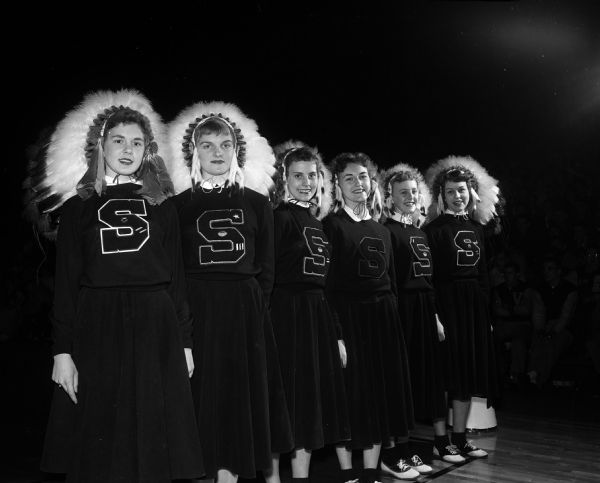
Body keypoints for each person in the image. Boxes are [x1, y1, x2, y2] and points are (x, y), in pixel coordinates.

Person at [27, 89, 203, 482]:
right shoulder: (77, 209)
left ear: (148, 150)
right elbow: (67, 285)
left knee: (154, 440)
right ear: (100, 147)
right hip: (97, 325)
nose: (128, 149)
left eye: (137, 142)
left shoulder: (164, 207)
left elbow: (177, 279)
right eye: (118, 141)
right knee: (100, 442)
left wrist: (186, 342)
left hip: (156, 326)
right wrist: (62, 352)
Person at [165, 101, 292, 483]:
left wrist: (253, 309)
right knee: (201, 406)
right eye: (208, 145)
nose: (217, 154)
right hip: (198, 313)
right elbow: (175, 273)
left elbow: (267, 270)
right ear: (194, 151)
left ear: (236, 151)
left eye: (224, 146)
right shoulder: (176, 207)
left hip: (244, 314)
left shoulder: (257, 203)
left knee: (240, 409)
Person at [322, 152, 418, 483]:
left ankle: (370, 472)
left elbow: (391, 284)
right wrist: (336, 335)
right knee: (352, 397)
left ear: (372, 182)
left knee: (379, 397)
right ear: (337, 185)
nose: (357, 183)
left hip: (383, 322)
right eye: (349, 178)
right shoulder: (330, 226)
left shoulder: (382, 230)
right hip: (349, 321)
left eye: (363, 177)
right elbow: (326, 287)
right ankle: (348, 472)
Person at [266, 140, 350, 483]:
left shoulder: (319, 223)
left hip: (316, 319)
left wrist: (338, 334)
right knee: (280, 404)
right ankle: (271, 479)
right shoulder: (278, 219)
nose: (305, 182)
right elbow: (267, 278)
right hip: (284, 317)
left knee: (308, 406)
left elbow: (325, 287)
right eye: (297, 175)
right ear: (284, 179)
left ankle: (301, 478)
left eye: (312, 175)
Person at [380, 163, 465, 468]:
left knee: (420, 383)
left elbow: (427, 280)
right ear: (389, 197)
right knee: (400, 384)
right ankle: (394, 453)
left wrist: (435, 317)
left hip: (424, 311)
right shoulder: (387, 231)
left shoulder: (418, 230)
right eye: (403, 192)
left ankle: (410, 445)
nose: (410, 197)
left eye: (414, 192)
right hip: (401, 312)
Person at [423, 155, 501, 460]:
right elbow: (430, 278)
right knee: (446, 376)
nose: (458, 196)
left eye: (463, 191)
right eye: (452, 191)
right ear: (443, 195)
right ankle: (440, 440)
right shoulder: (434, 230)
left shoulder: (478, 229)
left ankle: (460, 437)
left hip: (473, 309)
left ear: (472, 194)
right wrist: (435, 316)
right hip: (447, 305)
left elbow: (483, 277)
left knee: (466, 375)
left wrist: (486, 317)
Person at [527, 257, 578, 387]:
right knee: (537, 341)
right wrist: (541, 330)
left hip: (564, 329)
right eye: (545, 269)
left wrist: (554, 331)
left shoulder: (569, 290)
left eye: (550, 269)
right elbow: (538, 312)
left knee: (552, 345)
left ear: (559, 271)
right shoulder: (540, 289)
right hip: (545, 326)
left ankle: (539, 378)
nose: (546, 272)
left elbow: (566, 316)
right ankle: (531, 374)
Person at [491, 261, 537, 386]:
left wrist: (508, 309)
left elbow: (526, 310)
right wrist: (515, 309)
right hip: (505, 325)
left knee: (512, 338)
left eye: (510, 273)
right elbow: (497, 310)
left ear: (517, 274)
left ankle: (515, 376)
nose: (507, 276)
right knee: (515, 342)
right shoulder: (499, 289)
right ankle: (504, 375)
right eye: (505, 273)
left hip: (522, 326)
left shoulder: (526, 289)